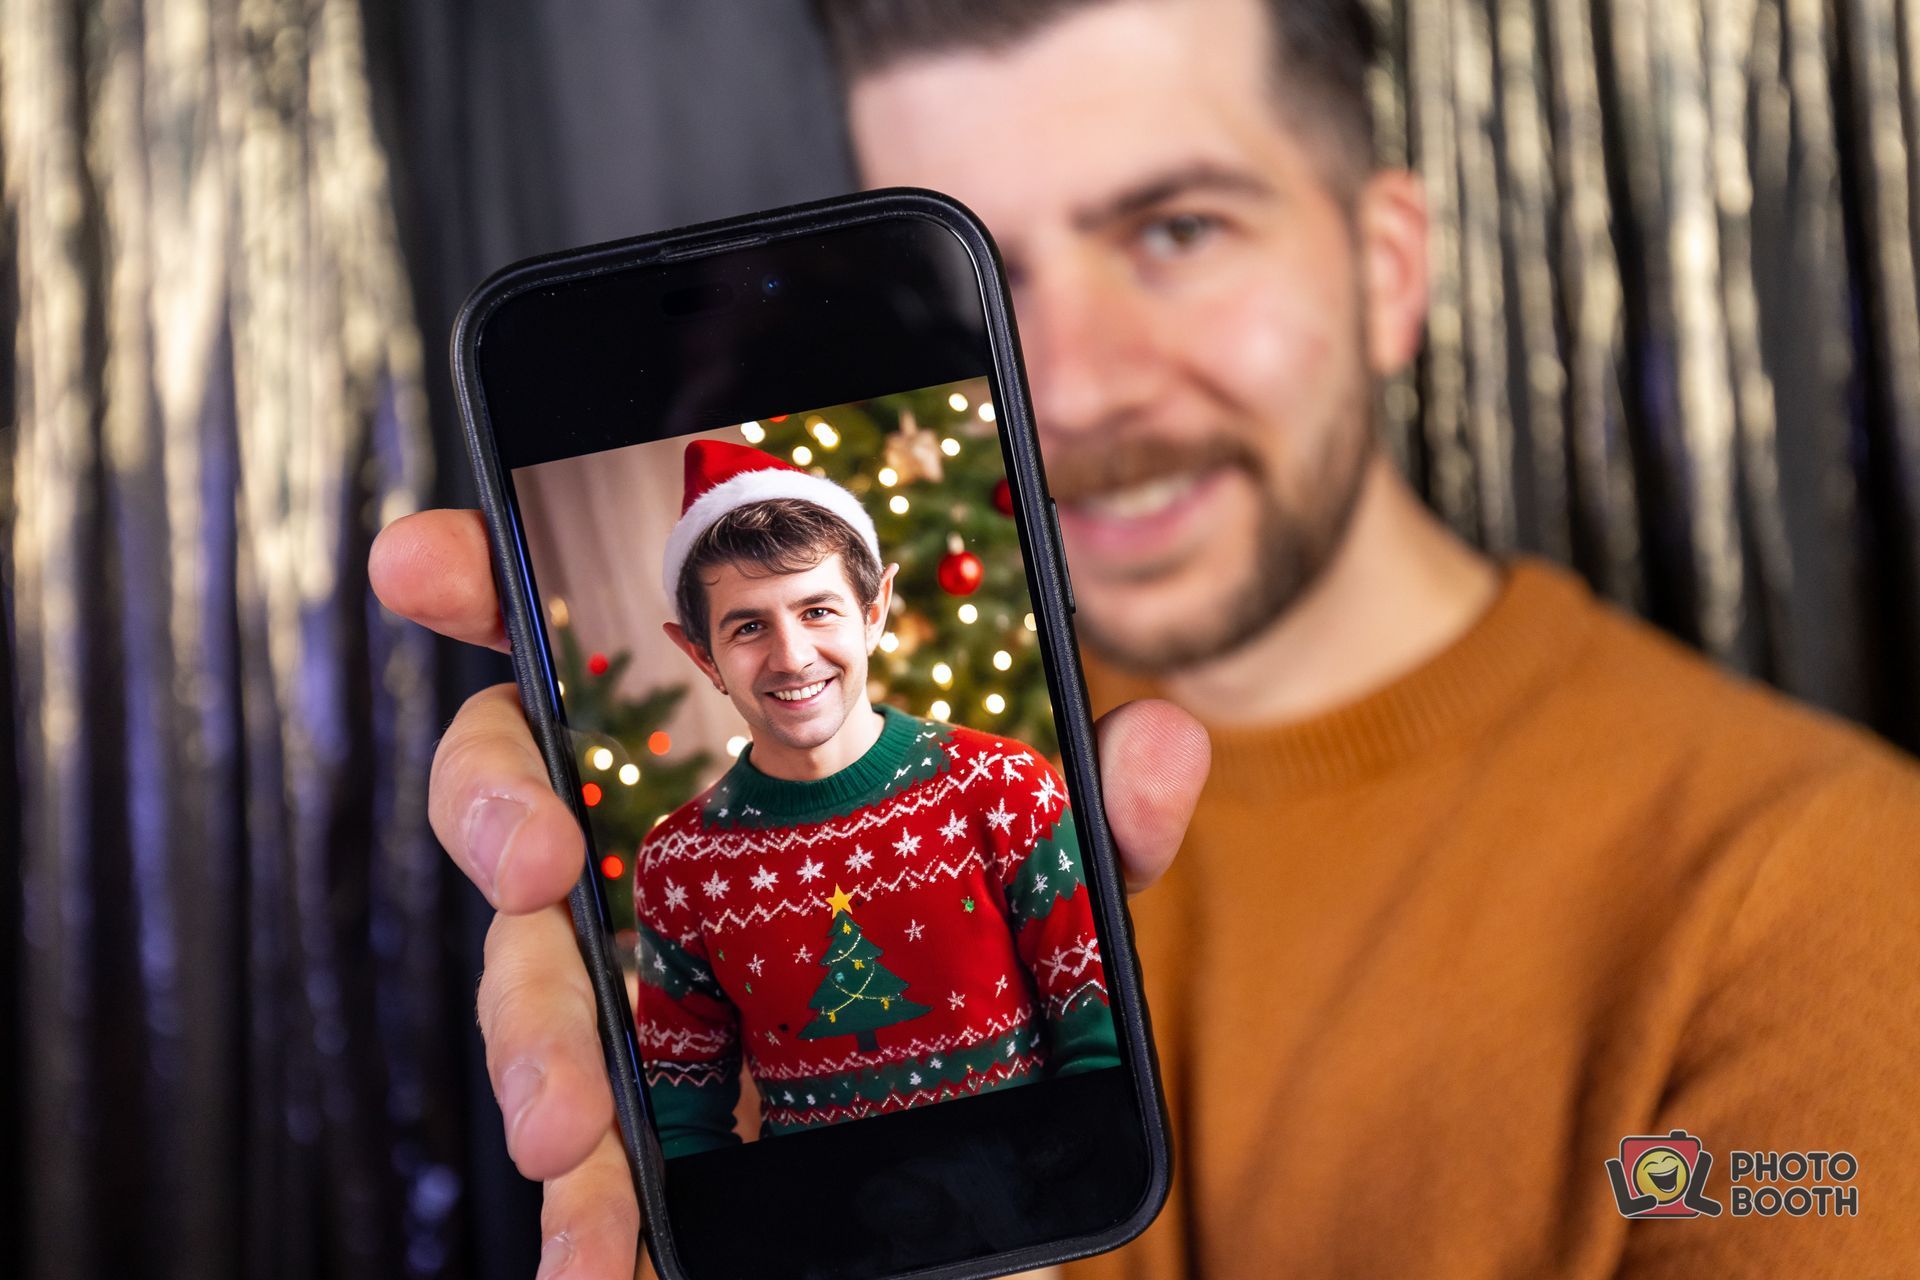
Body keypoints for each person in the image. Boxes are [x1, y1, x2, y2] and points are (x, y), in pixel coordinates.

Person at [368, 0, 1920, 1274]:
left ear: (1388, 271)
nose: (1079, 386)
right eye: (988, 274)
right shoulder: (788, 832)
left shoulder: (1824, 894)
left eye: (1176, 230)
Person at [637, 439, 1118, 1156]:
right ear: (701, 654)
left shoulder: (1003, 786)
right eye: (747, 626)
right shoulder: (679, 863)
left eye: (818, 611)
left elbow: (1101, 1043)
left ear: (875, 610)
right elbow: (682, 1119)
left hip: (1042, 1208)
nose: (792, 657)